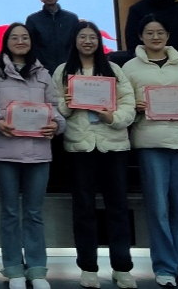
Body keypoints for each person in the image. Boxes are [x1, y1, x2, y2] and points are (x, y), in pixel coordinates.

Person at [0, 23, 65, 289]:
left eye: (24, 37)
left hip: (39, 153)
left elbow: (54, 107)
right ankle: (14, 268)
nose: (20, 41)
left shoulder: (43, 73)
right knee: (9, 212)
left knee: (34, 213)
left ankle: (37, 269)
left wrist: (57, 124)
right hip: (5, 152)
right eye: (14, 37)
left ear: (31, 42)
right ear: (6, 42)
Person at [51, 21, 137, 289]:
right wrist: (66, 104)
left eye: (92, 37)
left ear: (99, 42)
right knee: (83, 208)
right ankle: (88, 267)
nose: (87, 41)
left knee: (118, 208)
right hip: (80, 146)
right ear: (74, 41)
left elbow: (129, 105)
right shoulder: (63, 71)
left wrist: (113, 117)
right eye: (82, 37)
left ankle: (122, 267)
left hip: (113, 145)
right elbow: (55, 109)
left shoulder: (114, 69)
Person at [121, 15, 178, 288]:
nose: (155, 37)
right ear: (140, 37)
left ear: (167, 36)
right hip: (150, 141)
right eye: (149, 33)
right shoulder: (129, 67)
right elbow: (124, 103)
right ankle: (165, 266)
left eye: (160, 32)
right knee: (158, 209)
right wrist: (135, 106)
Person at [25, 0, 80, 75]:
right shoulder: (33, 20)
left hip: (69, 70)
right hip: (41, 71)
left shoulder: (72, 19)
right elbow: (30, 47)